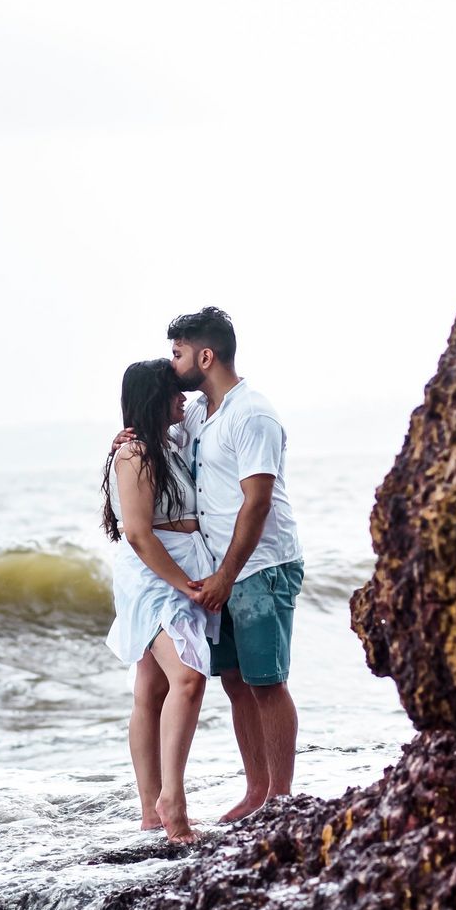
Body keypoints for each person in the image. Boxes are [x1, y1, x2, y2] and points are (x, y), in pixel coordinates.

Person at [166, 307, 304, 822]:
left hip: (262, 566)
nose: (172, 364)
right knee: (235, 682)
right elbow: (169, 451)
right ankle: (256, 792)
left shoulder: (254, 414)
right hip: (220, 569)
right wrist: (130, 436)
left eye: (178, 353)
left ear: (206, 356)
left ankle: (282, 801)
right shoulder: (200, 412)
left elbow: (258, 502)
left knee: (267, 680)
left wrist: (225, 576)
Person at [102, 359, 220, 844]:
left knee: (150, 692)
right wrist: (186, 585)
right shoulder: (133, 454)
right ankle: (173, 798)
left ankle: (150, 813)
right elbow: (136, 533)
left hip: (180, 569)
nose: (184, 399)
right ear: (155, 398)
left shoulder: (168, 444)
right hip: (155, 577)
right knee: (188, 678)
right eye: (175, 392)